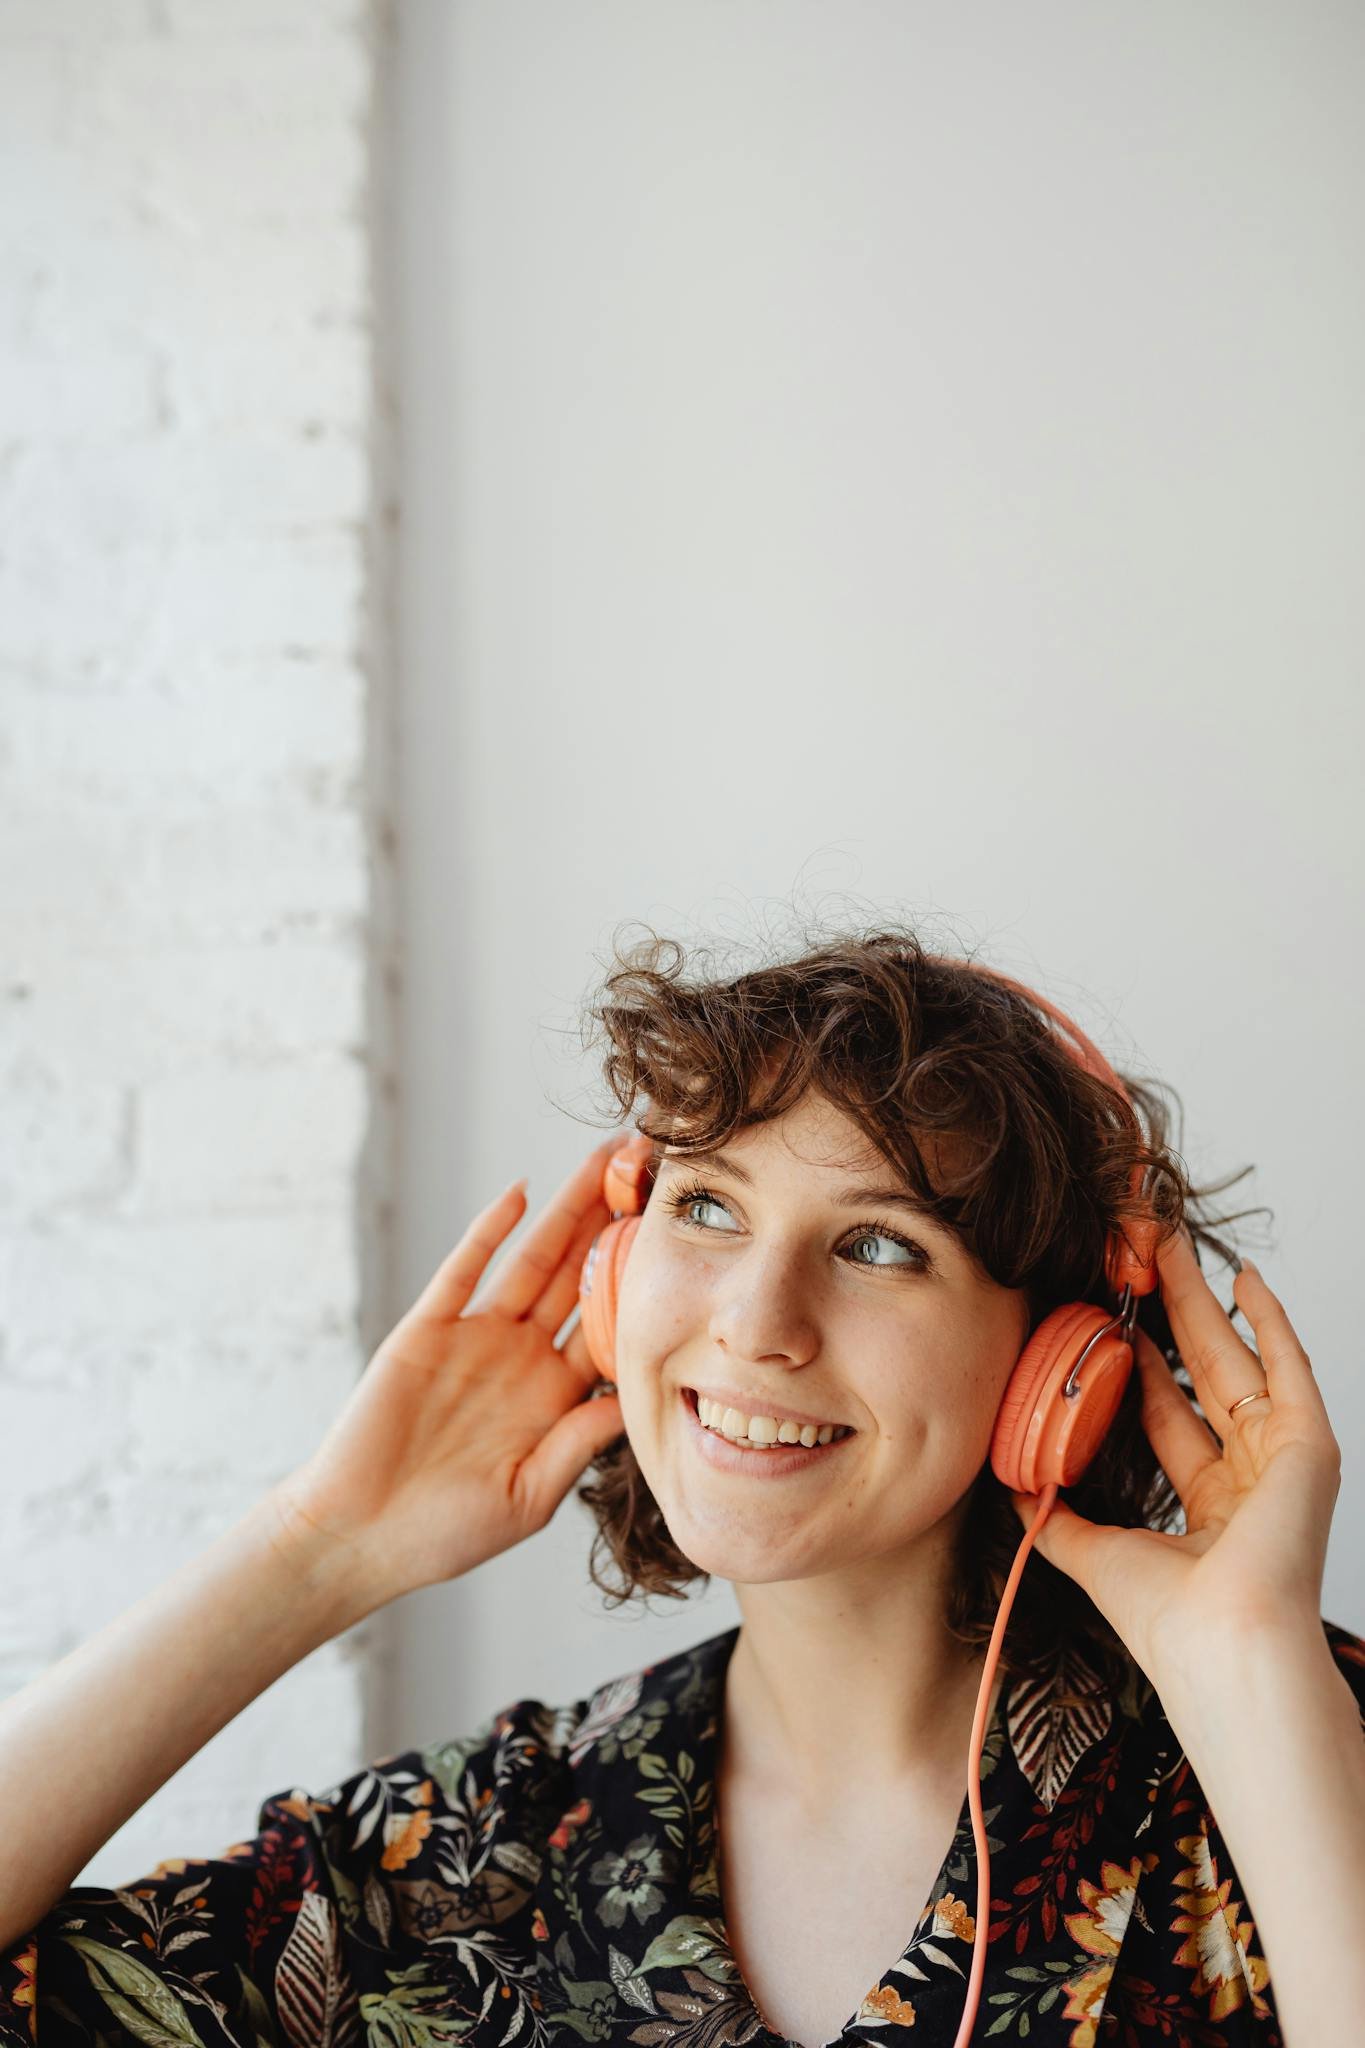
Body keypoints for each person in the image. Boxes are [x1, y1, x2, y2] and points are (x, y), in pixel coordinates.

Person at [2, 926, 1362, 2048]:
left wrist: (1256, 1677)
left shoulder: (1294, 1744)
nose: (757, 1322)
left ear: (1056, 1368)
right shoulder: (483, 1854)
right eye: (705, 1208)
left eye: (882, 1245)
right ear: (611, 1277)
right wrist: (316, 1550)